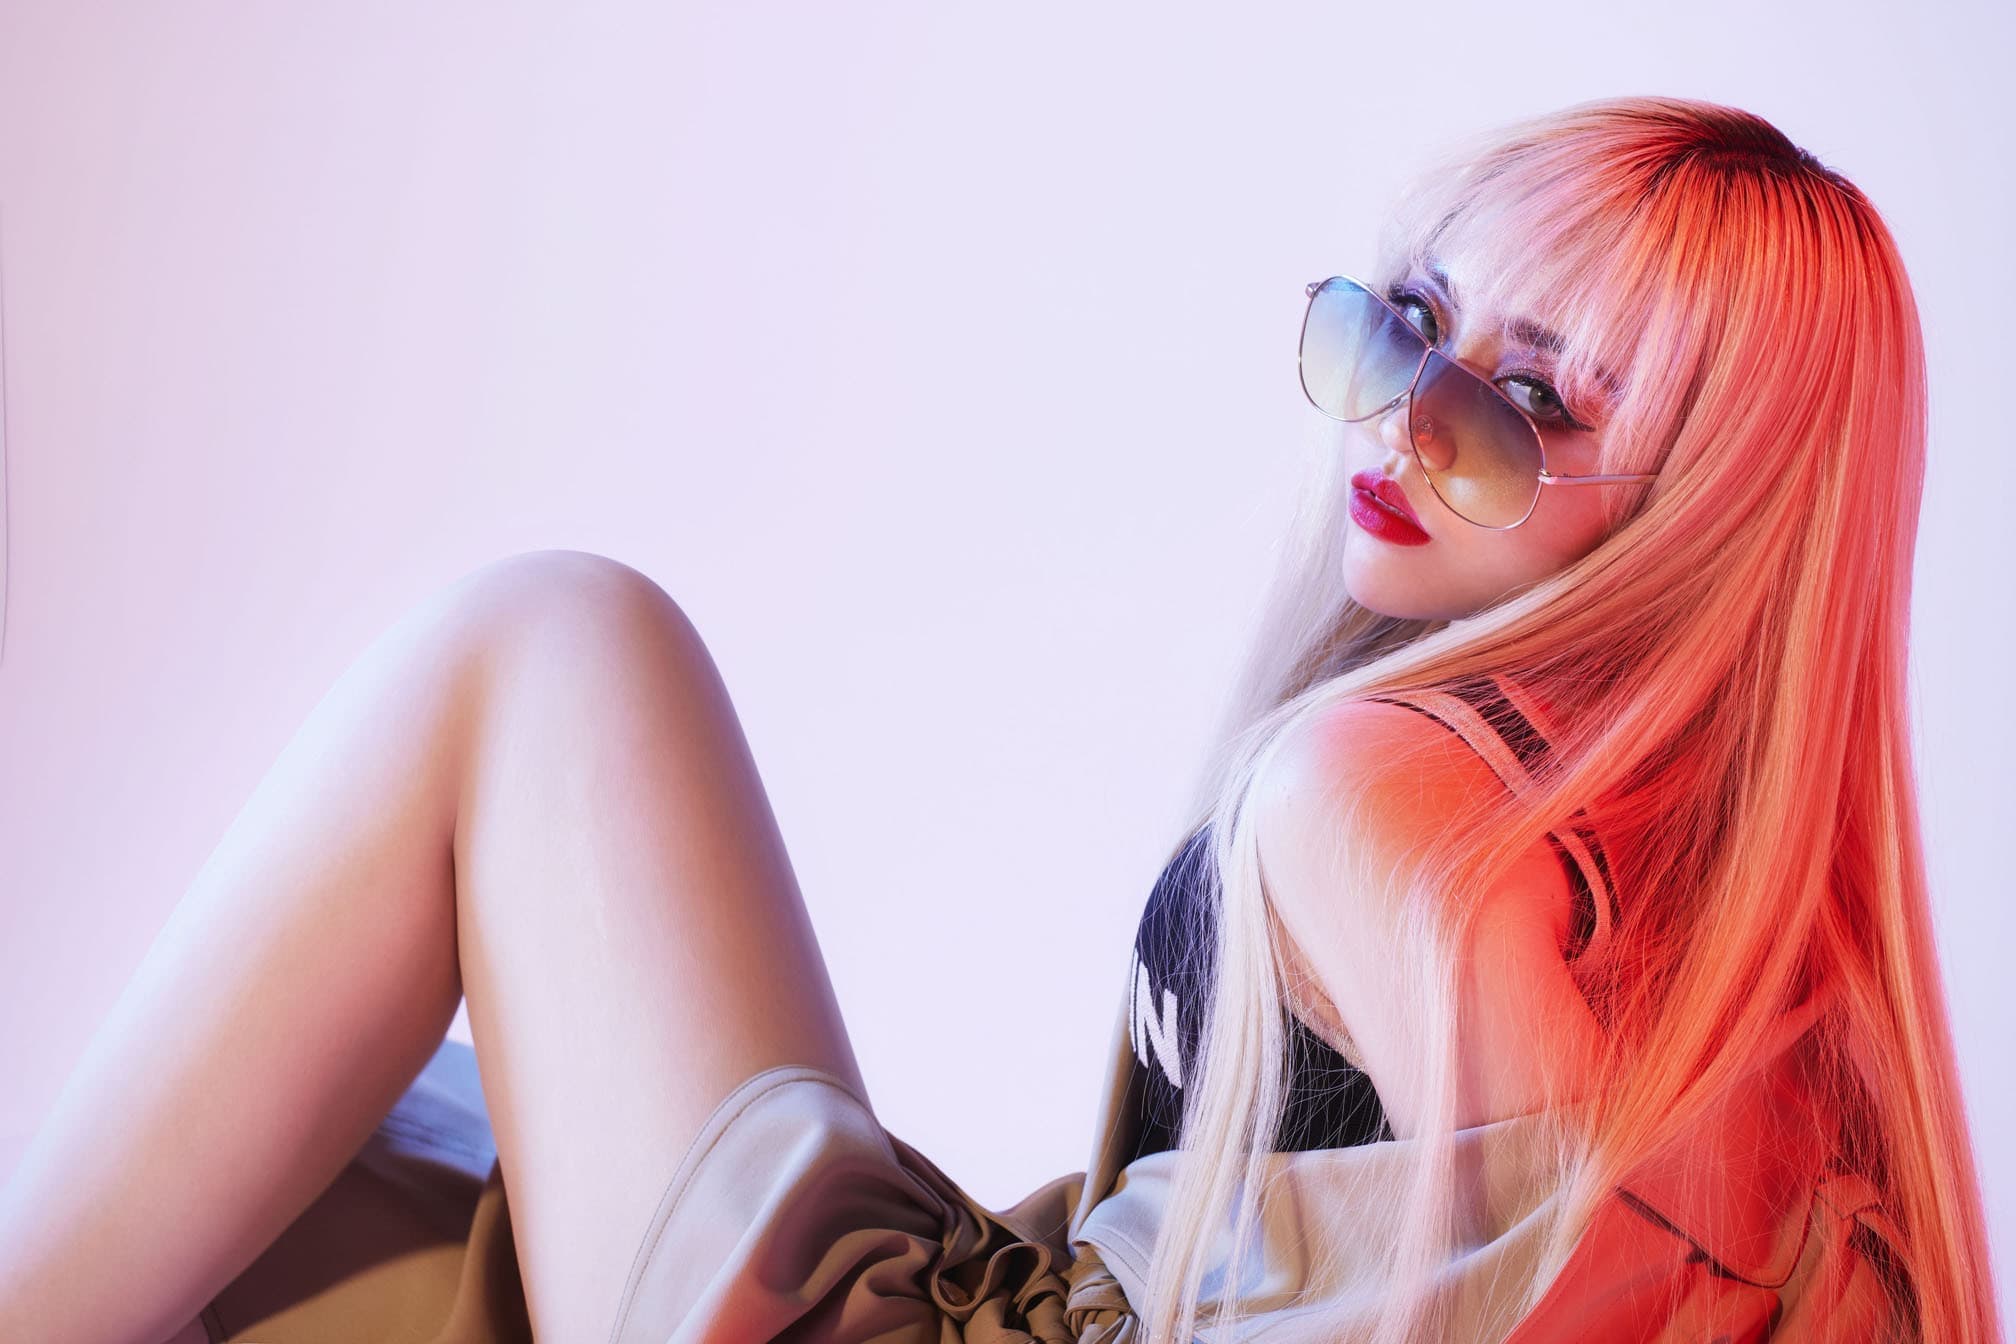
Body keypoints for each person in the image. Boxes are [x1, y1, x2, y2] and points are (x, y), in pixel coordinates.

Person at [0, 93, 1997, 1344]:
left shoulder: (1368, 795)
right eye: (1407, 320)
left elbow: (1622, 1238)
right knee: (334, 1206)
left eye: (1529, 400)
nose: (1408, 415)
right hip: (1011, 1289)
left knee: (548, 643)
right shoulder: (1733, 968)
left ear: (1717, 519)